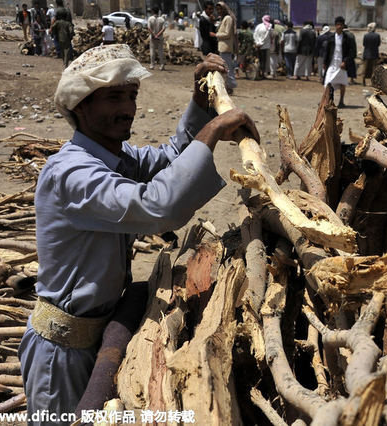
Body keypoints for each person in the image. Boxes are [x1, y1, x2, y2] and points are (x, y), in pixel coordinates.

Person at [17, 44, 259, 426]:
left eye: (131, 96)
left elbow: (174, 156)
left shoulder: (114, 159)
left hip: (97, 336)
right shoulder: (74, 174)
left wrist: (200, 105)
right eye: (114, 97)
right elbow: (157, 208)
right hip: (60, 355)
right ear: (80, 106)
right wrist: (214, 130)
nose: (127, 109)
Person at [324, 16, 356, 108]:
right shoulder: (331, 37)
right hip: (332, 63)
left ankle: (341, 101)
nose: (339, 26)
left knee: (342, 82)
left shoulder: (347, 38)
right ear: (335, 26)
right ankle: (326, 101)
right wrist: (325, 62)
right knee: (327, 82)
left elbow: (350, 52)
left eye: (341, 25)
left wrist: (345, 62)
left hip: (342, 63)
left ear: (343, 26)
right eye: (337, 25)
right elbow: (327, 51)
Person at [215, 2, 238, 93]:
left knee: (227, 68)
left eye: (221, 9)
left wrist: (216, 35)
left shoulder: (228, 18)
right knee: (225, 68)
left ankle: (230, 86)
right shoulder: (223, 19)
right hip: (223, 47)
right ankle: (227, 86)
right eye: (218, 9)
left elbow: (227, 34)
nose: (219, 11)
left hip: (226, 47)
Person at [361, 22, 380, 86]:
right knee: (374, 68)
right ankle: (374, 82)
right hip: (374, 54)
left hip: (366, 54)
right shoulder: (377, 36)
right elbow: (378, 44)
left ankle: (363, 81)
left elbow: (364, 44)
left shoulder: (366, 35)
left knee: (365, 68)